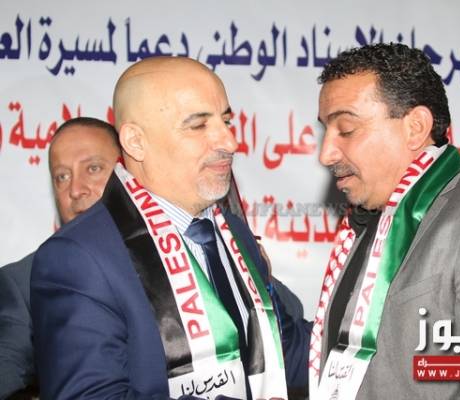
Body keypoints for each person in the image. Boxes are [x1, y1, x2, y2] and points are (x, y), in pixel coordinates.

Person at [31, 56, 309, 400]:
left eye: (225, 121)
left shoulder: (232, 232)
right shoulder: (78, 258)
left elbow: (285, 350)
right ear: (136, 142)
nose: (229, 141)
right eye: (198, 126)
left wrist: (369, 333)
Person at [309, 43, 460, 399]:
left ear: (416, 127)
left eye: (346, 129)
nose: (326, 153)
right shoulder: (366, 225)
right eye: (326, 131)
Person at [0, 117, 121, 400]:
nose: (75, 190)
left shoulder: (174, 259)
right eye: (62, 176)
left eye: (93, 169)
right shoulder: (24, 281)